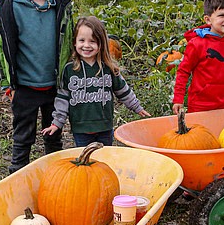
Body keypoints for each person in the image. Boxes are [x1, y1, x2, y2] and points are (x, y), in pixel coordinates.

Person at [0, 0, 74, 173]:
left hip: (54, 85)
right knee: (23, 136)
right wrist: (6, 83)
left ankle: (56, 175)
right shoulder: (9, 8)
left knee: (54, 134)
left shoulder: (61, 7)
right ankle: (17, 175)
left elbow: (70, 42)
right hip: (24, 86)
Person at [42, 16, 150, 147]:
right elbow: (63, 98)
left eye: (92, 41)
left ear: (101, 43)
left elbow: (122, 90)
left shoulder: (109, 68)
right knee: (86, 161)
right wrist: (57, 122)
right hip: (81, 128)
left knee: (104, 158)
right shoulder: (70, 69)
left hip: (104, 126)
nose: (86, 45)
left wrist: (136, 107)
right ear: (75, 42)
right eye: (82, 40)